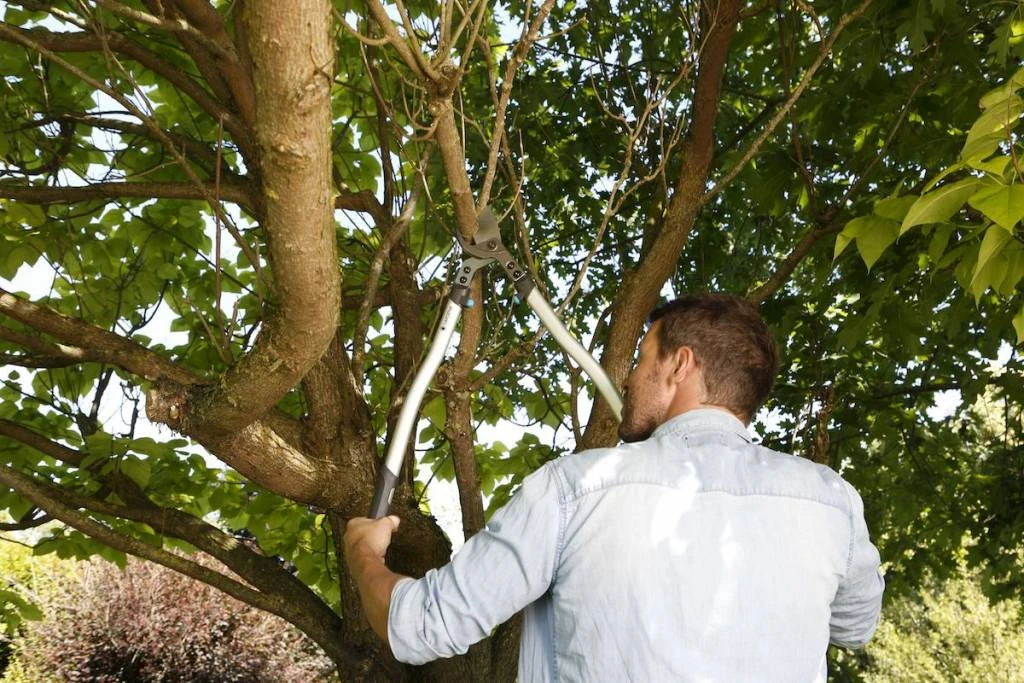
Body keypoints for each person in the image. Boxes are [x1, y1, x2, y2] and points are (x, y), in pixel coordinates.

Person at [345, 293, 884, 681]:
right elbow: (855, 627)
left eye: (643, 359)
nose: (628, 376)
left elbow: (422, 626)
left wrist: (363, 553)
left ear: (680, 364)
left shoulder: (575, 490)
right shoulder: (830, 502)